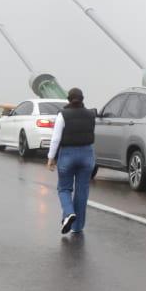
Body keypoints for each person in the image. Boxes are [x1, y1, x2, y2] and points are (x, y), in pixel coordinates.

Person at [45, 87, 96, 236]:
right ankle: (77, 226)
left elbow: (56, 138)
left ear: (68, 99)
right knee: (82, 191)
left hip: (68, 154)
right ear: (82, 99)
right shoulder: (91, 115)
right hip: (87, 154)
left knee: (64, 188)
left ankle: (68, 213)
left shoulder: (63, 115)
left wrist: (50, 157)